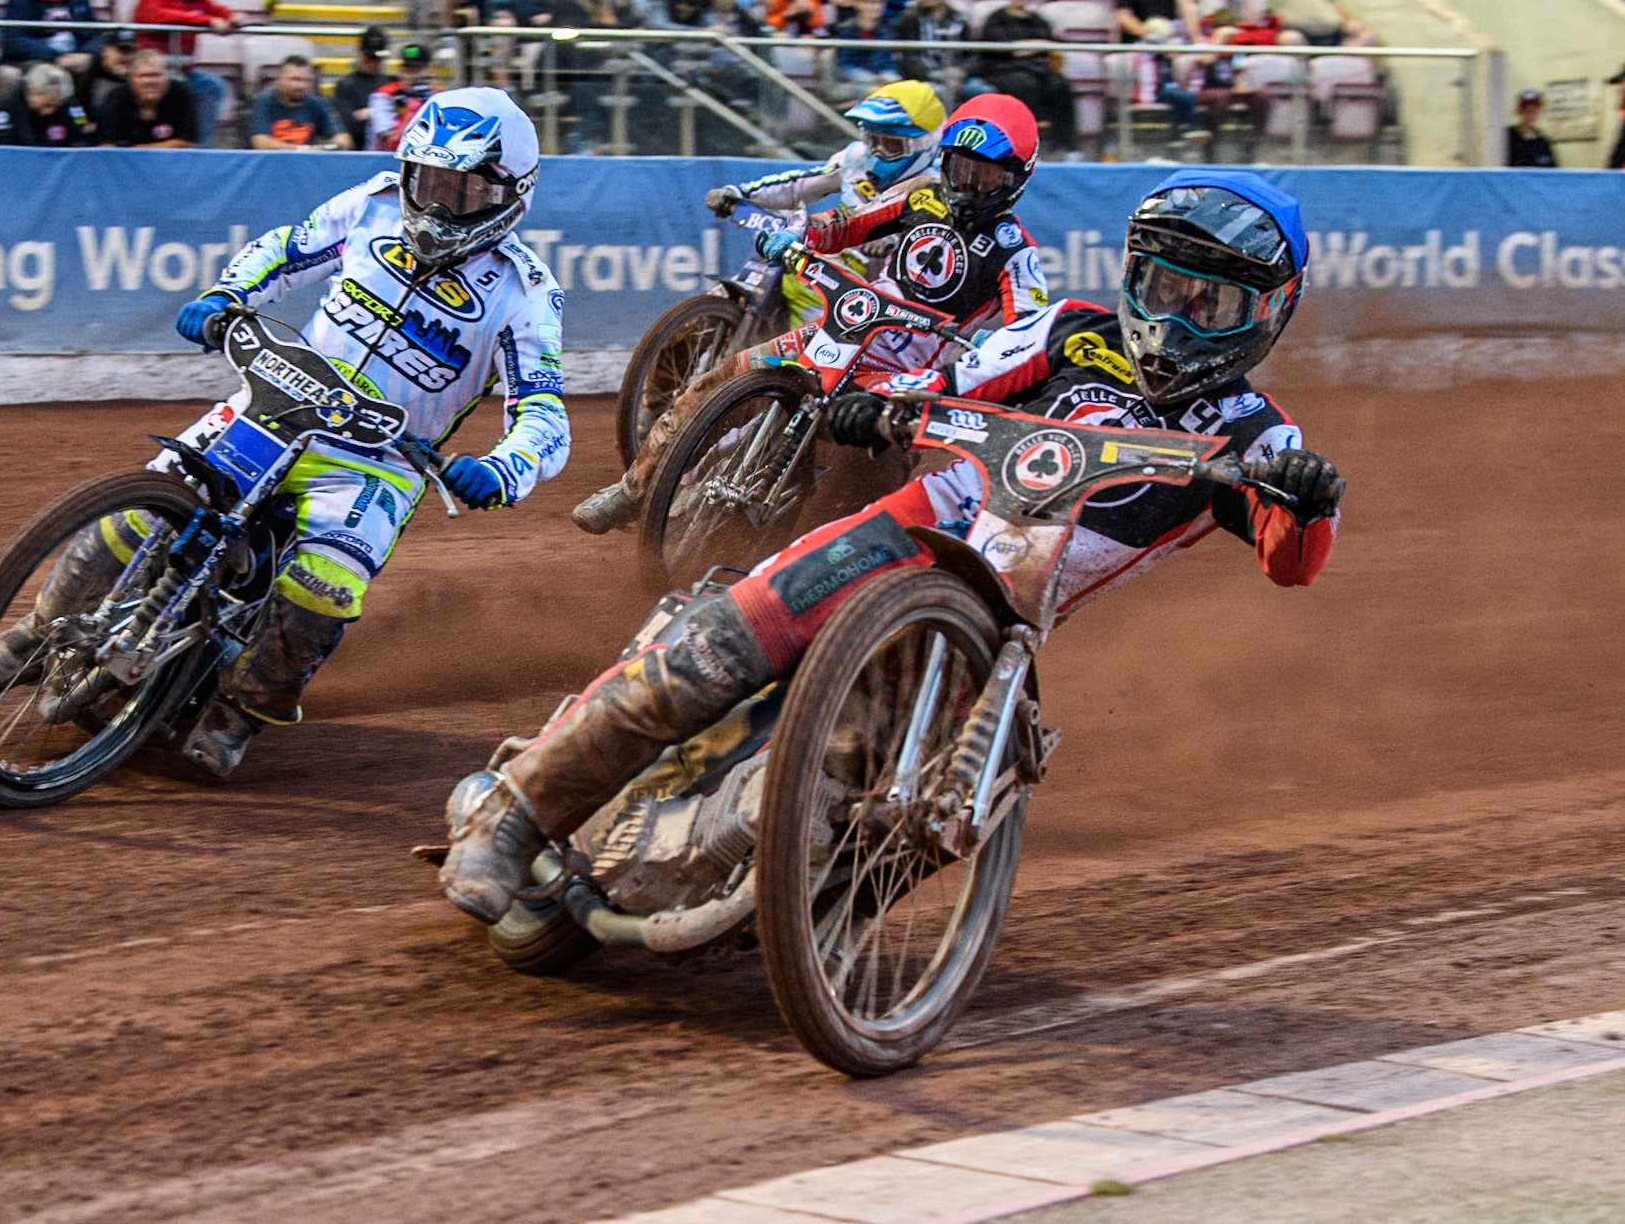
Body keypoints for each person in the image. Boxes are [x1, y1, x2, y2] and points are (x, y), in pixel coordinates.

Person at [442, 169, 1344, 925]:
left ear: (1265, 312)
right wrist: (883, 401)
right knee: (722, 641)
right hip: (912, 526)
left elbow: (1292, 559)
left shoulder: (1256, 435)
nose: (1176, 316)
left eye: (1209, 300)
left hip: (993, 625)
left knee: (895, 795)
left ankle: (771, 908)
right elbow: (956, 373)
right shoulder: (1072, 330)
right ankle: (514, 816)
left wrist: (1306, 499)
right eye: (1161, 287)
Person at [0, 89, 570, 778]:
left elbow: (545, 413)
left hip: (376, 462)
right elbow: (285, 250)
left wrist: (504, 468)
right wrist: (226, 295)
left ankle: (240, 712)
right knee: (141, 509)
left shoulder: (525, 292)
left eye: (464, 189)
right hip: (275, 402)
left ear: (511, 192)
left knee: (325, 582)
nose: (439, 204)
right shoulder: (372, 206)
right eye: (430, 180)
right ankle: (35, 629)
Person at [574, 93, 1050, 536]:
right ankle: (633, 490)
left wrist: (997, 347)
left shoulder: (1016, 253)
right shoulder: (920, 196)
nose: (969, 183)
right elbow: (844, 225)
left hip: (906, 380)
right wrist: (799, 237)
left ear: (1015, 178)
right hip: (841, 332)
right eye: (961, 168)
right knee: (717, 383)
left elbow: (1030, 335)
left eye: (985, 175)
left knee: (860, 488)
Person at [704, 79, 945, 323]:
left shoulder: (936, 186)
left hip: (893, 280)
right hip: (837, 249)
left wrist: (890, 240)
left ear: (923, 145)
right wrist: (742, 193)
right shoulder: (856, 158)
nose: (877, 152)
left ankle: (806, 358)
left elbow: (937, 247)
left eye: (891, 144)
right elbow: (801, 185)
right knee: (766, 271)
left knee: (811, 287)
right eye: (873, 140)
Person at [132, 0, 236, 147]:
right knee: (183, 91)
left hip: (185, 70)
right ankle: (177, 144)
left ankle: (201, 148)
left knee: (213, 87)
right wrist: (207, 21)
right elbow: (157, 15)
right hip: (156, 72)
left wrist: (234, 17)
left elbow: (214, 9)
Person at [971, 0, 1077, 154]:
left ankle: (1066, 148)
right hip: (1003, 72)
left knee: (1060, 85)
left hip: (1038, 71)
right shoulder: (996, 19)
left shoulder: (1039, 21)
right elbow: (1006, 50)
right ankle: (1026, 147)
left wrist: (1027, 47)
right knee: (1025, 85)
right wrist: (1037, 45)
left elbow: (1053, 47)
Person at [2, 0, 98, 78]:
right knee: (50, 73)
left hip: (74, 57)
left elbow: (96, 32)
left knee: (92, 65)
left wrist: (86, 53)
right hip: (34, 59)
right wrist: (55, 57)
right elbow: (15, 40)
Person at [93, 46, 197, 146]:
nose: (150, 81)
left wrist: (135, 150)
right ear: (131, 80)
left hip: (171, 162)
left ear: (167, 78)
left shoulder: (182, 94)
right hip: (125, 163)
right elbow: (106, 146)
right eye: (143, 76)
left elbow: (188, 143)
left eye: (156, 75)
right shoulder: (116, 98)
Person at [250, 56, 353, 150]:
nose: (300, 86)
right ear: (278, 79)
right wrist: (305, 150)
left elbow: (344, 140)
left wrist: (323, 148)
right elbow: (261, 142)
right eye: (294, 79)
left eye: (306, 81)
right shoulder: (264, 101)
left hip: (309, 165)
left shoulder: (318, 103)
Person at [893, 0, 967, 93]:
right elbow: (909, 58)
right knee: (939, 91)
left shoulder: (959, 18)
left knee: (981, 90)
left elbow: (972, 55)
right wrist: (940, 76)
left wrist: (960, 72)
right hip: (925, 77)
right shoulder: (910, 18)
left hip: (957, 75)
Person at [0, 61, 92, 144]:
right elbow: (2, 144)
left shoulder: (71, 105)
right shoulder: (6, 106)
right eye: (47, 105)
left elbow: (82, 135)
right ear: (31, 93)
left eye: (56, 106)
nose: (50, 111)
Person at [367, 41, 438, 151]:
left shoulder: (438, 97)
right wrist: (412, 107)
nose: (414, 76)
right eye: (408, 70)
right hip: (384, 158)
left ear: (428, 71)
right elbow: (392, 141)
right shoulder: (383, 96)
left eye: (418, 70)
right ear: (401, 71)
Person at [831, 0, 900, 96]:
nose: (876, 7)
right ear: (859, 4)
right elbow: (844, 67)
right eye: (871, 2)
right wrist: (870, 78)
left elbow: (889, 63)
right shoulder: (845, 30)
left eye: (880, 2)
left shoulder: (888, 32)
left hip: (880, 81)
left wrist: (889, 76)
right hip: (852, 82)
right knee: (874, 91)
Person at [332, 26, 391, 143]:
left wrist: (369, 114)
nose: (373, 63)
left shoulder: (392, 82)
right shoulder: (346, 85)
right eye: (369, 58)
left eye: (378, 59)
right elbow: (349, 125)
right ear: (359, 53)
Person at [1507, 89, 1557, 168]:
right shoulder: (1507, 137)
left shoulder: (1543, 142)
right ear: (1518, 112)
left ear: (1540, 113)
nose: (1530, 114)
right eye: (1526, 110)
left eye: (1534, 110)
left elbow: (1553, 173)